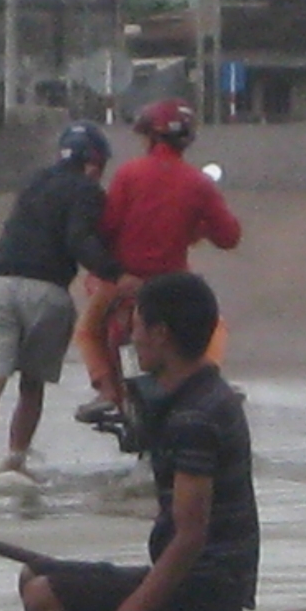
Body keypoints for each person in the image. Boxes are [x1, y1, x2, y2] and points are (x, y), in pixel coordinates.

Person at [22, 272, 259, 611]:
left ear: (161, 333)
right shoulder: (199, 395)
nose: (133, 340)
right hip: (195, 581)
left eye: (137, 327)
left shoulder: (196, 416)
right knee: (32, 573)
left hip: (208, 590)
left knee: (41, 596)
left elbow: (189, 539)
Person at [0, 120, 124, 475]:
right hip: (47, 293)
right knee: (32, 383)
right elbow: (79, 241)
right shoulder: (87, 191)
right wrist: (114, 270)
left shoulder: (34, 182)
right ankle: (16, 458)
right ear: (95, 162)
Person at [75, 98, 242, 420]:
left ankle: (107, 392)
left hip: (122, 283)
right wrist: (199, 228)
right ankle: (208, 378)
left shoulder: (129, 173)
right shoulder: (198, 183)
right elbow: (229, 236)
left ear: (151, 136)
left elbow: (107, 228)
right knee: (215, 326)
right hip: (172, 287)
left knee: (87, 330)